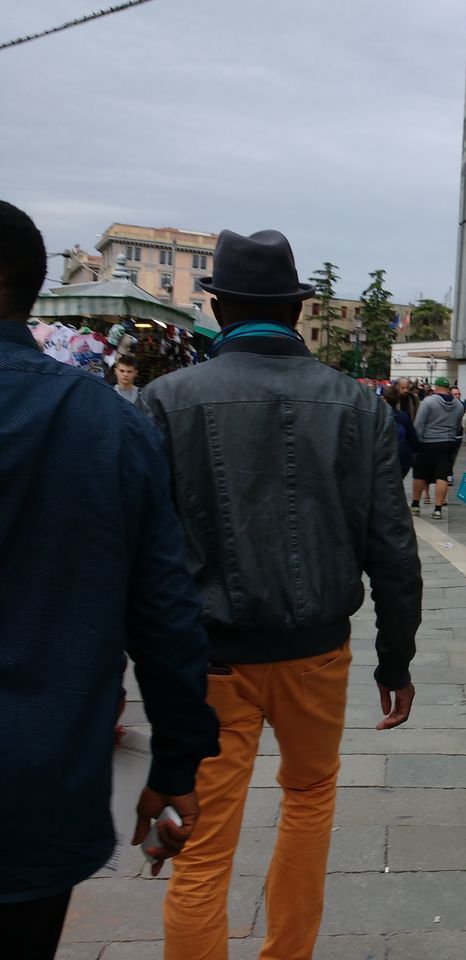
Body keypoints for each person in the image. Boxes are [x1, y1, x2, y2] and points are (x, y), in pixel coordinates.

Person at [139, 229, 422, 959]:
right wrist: (396, 660)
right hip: (316, 652)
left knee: (201, 846)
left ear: (221, 306)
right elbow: (392, 546)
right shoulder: (356, 406)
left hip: (208, 660)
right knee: (308, 799)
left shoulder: (165, 400)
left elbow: (142, 552)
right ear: (296, 311)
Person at [0, 200, 219, 958]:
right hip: (32, 782)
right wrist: (175, 764)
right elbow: (164, 612)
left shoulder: (114, 420)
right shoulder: (103, 424)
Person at [411, 376, 464, 519]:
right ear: (448, 389)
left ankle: (415, 505)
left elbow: (419, 424)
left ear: (435, 387)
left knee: (420, 474)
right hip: (447, 444)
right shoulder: (459, 405)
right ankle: (438, 509)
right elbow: (458, 426)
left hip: (427, 443)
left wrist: (415, 443)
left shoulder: (428, 402)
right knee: (442, 476)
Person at [384, 382, 419, 478]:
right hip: (400, 458)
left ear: (384, 399)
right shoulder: (403, 417)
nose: (406, 390)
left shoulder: (377, 415)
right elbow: (412, 439)